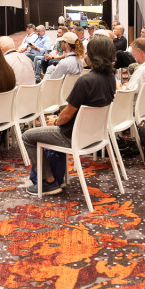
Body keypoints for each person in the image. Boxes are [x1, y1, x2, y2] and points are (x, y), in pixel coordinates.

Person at [22, 35, 117, 196]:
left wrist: (56, 120)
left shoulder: (86, 81)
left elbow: (66, 116)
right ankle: (57, 178)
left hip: (72, 135)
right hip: (94, 135)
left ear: (92, 55)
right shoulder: (111, 79)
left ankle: (48, 181)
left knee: (27, 136)